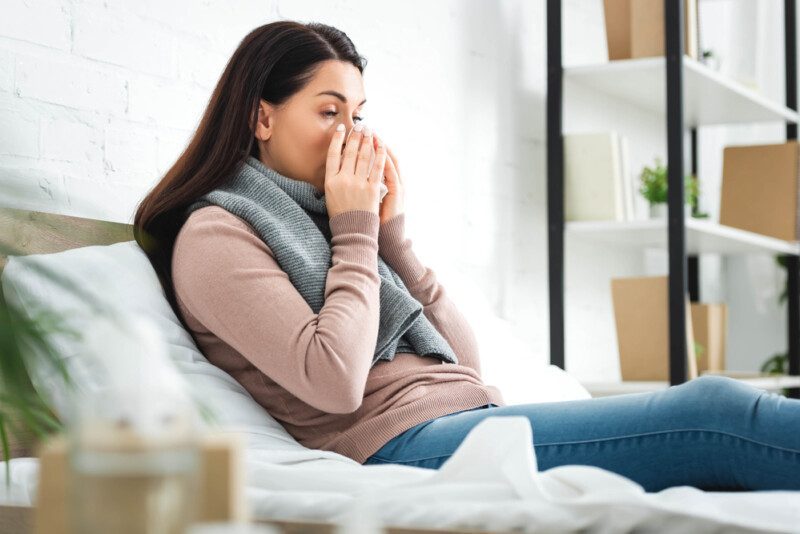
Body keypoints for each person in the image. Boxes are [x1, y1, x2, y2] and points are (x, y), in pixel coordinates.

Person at [134, 20, 800, 494]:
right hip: (398, 448)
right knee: (710, 416)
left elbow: (465, 368)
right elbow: (334, 381)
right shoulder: (218, 233)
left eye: (358, 115)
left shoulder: (336, 221)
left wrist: (391, 235)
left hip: (462, 419)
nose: (351, 136)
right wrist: (359, 227)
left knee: (717, 436)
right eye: (329, 111)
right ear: (262, 118)